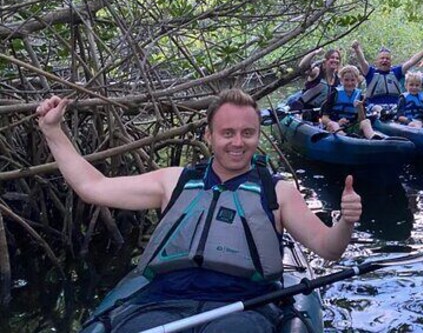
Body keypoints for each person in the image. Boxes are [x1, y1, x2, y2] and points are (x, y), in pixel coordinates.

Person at [36, 89, 362, 331]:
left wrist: (345, 221)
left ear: (257, 135)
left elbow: (328, 248)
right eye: (227, 133)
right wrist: (53, 131)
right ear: (209, 135)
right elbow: (92, 188)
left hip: (242, 309)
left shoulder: (278, 191)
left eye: (247, 133)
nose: (238, 142)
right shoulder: (173, 181)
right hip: (160, 303)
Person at [350, 40, 423, 106]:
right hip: (374, 108)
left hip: (395, 107)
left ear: (391, 61)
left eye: (387, 59)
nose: (384, 60)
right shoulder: (370, 72)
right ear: (377, 61)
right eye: (382, 58)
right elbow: (362, 61)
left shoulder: (396, 71)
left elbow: (411, 62)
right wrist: (357, 49)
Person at [320, 65, 377, 139]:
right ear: (341, 80)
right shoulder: (334, 94)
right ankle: (345, 137)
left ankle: (373, 137)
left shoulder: (360, 97)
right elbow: (324, 118)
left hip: (351, 126)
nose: (350, 83)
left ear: (357, 80)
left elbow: (361, 120)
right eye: (346, 80)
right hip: (336, 126)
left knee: (366, 122)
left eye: (352, 80)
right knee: (332, 124)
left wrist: (360, 107)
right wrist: (338, 122)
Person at [289, 47, 341, 119]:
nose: (335, 60)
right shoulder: (317, 71)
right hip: (299, 108)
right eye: (332, 57)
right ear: (325, 60)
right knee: (324, 86)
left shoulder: (337, 79)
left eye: (337, 58)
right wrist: (314, 52)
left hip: (317, 113)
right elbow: (302, 66)